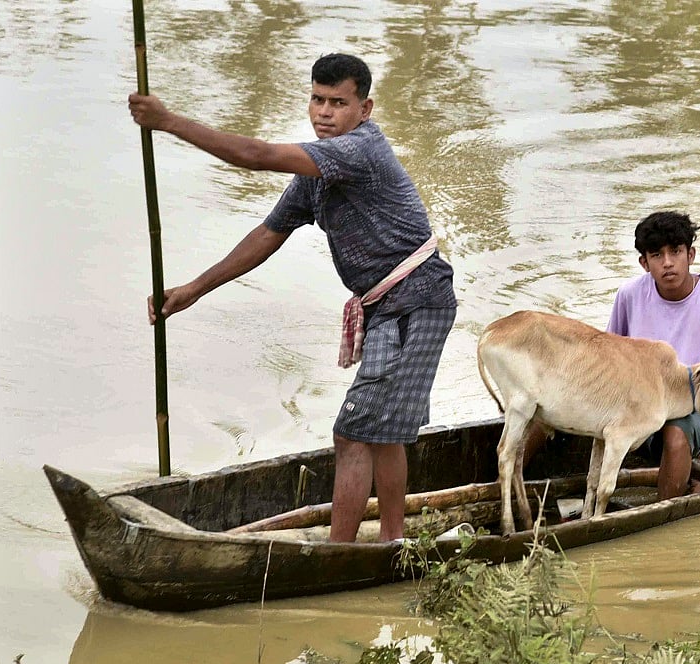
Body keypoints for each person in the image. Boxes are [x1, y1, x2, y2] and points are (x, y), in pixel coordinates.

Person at [128, 53, 457, 543]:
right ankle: (393, 544)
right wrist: (192, 291)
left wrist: (169, 121)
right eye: (317, 100)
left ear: (364, 109)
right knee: (383, 431)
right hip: (386, 305)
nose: (324, 112)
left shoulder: (358, 151)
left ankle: (341, 553)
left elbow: (255, 155)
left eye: (338, 103)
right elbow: (268, 233)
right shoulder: (315, 172)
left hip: (418, 298)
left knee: (353, 432)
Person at [605, 211, 700, 499]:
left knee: (675, 434)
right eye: (657, 255)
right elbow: (611, 358)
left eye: (676, 251)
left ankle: (664, 513)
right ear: (644, 263)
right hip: (640, 409)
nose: (668, 263)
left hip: (694, 415)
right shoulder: (629, 295)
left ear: (691, 254)